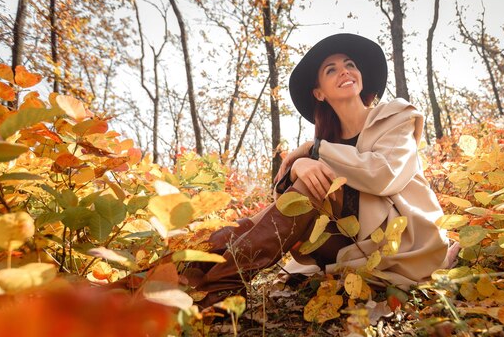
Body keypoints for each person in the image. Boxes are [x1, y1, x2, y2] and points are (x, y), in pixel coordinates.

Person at [188, 33, 449, 308]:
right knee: (284, 202)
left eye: (350, 64)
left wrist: (314, 151)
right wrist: (301, 164)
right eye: (331, 69)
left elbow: (383, 175)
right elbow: (283, 210)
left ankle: (217, 286)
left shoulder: (395, 116)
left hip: (401, 241)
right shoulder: (328, 144)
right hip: (347, 243)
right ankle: (189, 272)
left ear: (360, 76)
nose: (345, 71)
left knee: (314, 182)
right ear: (319, 93)